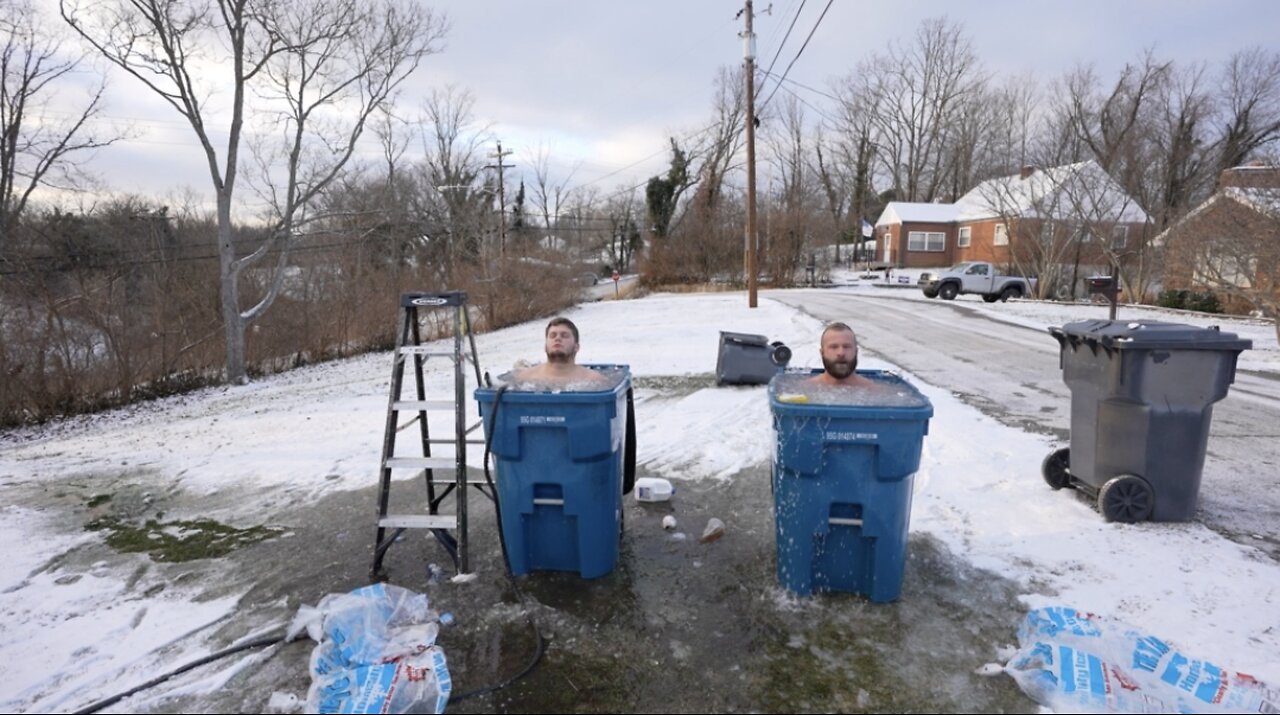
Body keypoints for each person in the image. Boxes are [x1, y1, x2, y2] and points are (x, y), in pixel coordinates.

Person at [513, 317, 608, 386]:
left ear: (576, 347)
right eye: (553, 335)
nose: (557, 338)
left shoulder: (594, 380)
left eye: (564, 335)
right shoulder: (525, 378)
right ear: (545, 346)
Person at [809, 322, 876, 387]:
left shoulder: (875, 392)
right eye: (834, 347)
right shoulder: (806, 389)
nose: (841, 353)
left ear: (856, 351)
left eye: (846, 347)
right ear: (822, 352)